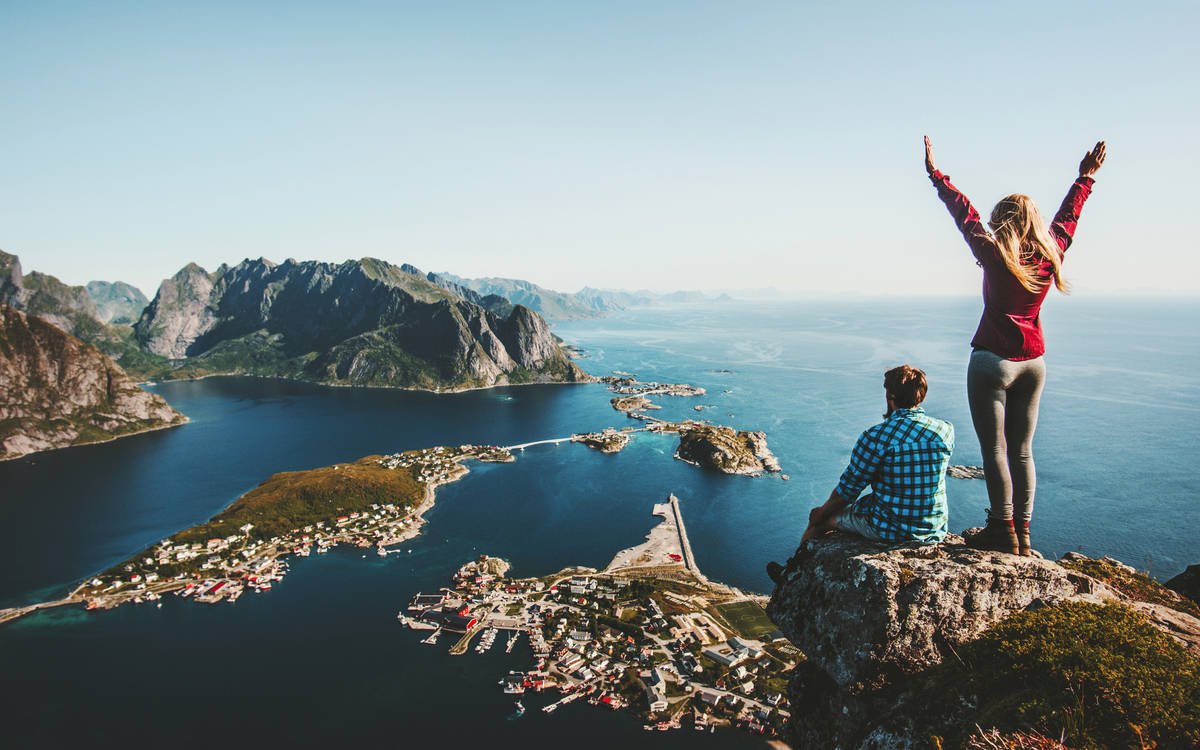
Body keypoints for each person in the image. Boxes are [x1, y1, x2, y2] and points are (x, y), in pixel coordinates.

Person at [924, 136, 1106, 556]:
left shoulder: (992, 252)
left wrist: (936, 175)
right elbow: (1069, 217)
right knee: (1023, 451)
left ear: (1002, 220)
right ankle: (1023, 533)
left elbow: (963, 212)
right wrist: (1085, 177)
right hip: (1034, 363)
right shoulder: (1052, 252)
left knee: (995, 450)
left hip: (992, 361)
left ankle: (1001, 530)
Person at [767, 366, 954, 583]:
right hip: (932, 527)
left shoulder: (876, 437)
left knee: (817, 526)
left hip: (889, 526)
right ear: (921, 395)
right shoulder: (945, 430)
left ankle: (790, 577)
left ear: (889, 395)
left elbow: (849, 489)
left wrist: (821, 512)